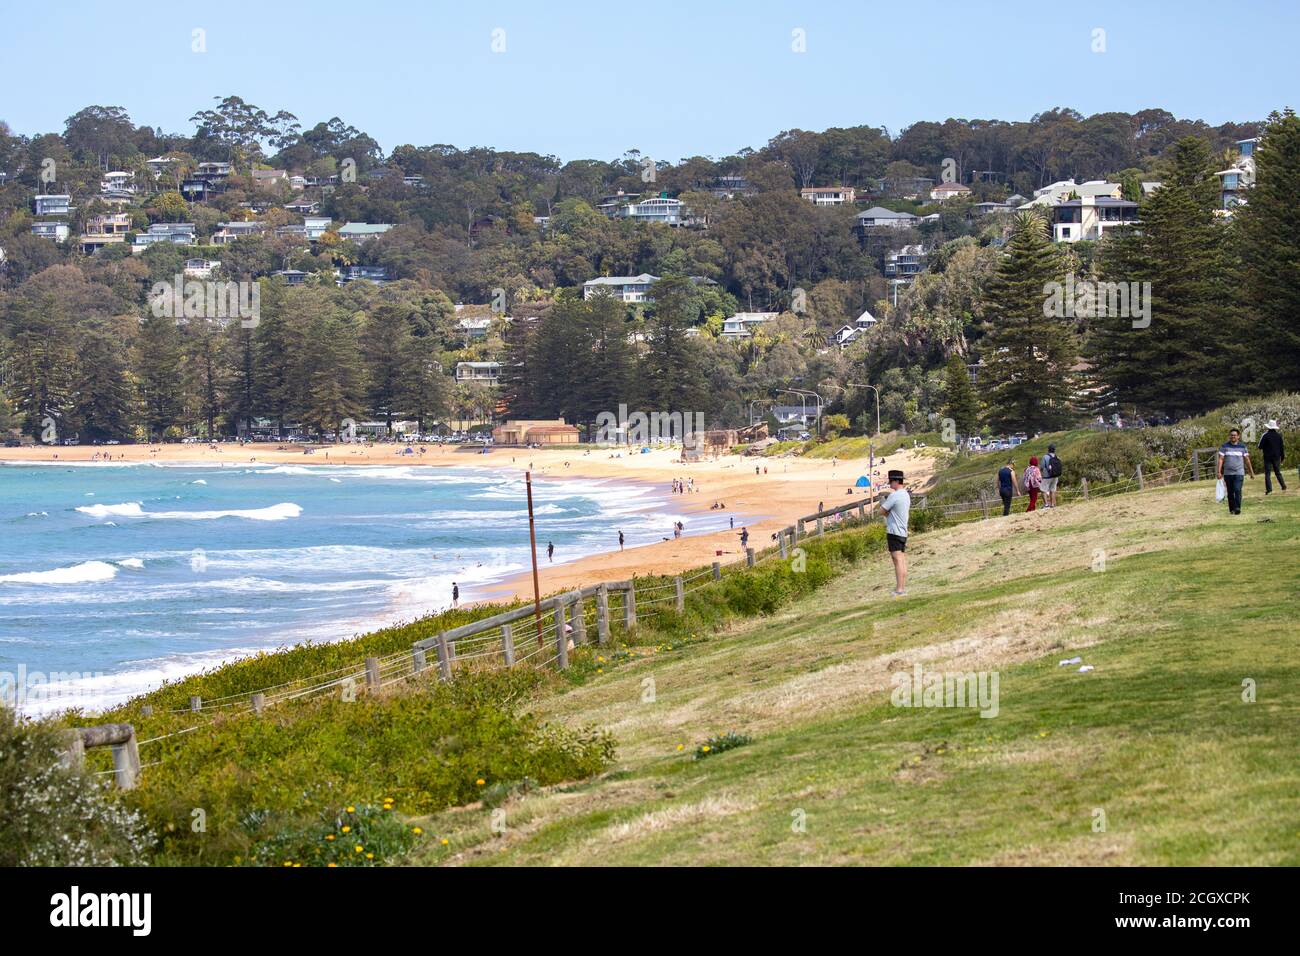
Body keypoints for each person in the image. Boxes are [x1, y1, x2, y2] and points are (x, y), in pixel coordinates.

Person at [878, 469, 911, 597]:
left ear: (897, 481)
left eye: (891, 481)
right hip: (902, 531)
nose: (890, 484)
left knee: (897, 560)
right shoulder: (906, 494)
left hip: (894, 531)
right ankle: (902, 587)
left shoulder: (895, 495)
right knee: (901, 560)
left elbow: (881, 510)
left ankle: (899, 590)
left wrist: (888, 515)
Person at [1217, 427, 1255, 514]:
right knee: (1230, 492)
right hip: (1228, 473)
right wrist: (1219, 472)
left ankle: (1237, 507)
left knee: (1237, 490)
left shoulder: (1243, 447)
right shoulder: (1224, 447)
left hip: (1239, 472)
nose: (1233, 437)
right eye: (1231, 435)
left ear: (1238, 436)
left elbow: (1247, 460)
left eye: (1234, 435)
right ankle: (1232, 509)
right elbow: (1221, 459)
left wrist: (1251, 472)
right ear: (1229, 436)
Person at [1260, 420, 1287, 494]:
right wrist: (1282, 457)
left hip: (1267, 457)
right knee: (1278, 472)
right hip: (1277, 457)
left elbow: (1260, 446)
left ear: (1268, 427)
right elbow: (1282, 448)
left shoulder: (1265, 435)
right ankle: (1283, 486)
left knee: (1267, 474)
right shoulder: (1279, 436)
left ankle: (1269, 489)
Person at [1040, 444, 1062, 508]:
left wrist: (1042, 472)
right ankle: (1052, 504)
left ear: (1048, 449)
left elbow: (1042, 467)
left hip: (1047, 476)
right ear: (1054, 450)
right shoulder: (1057, 457)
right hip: (1055, 476)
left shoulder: (1045, 457)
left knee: (1043, 490)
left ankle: (1046, 505)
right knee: (1052, 490)